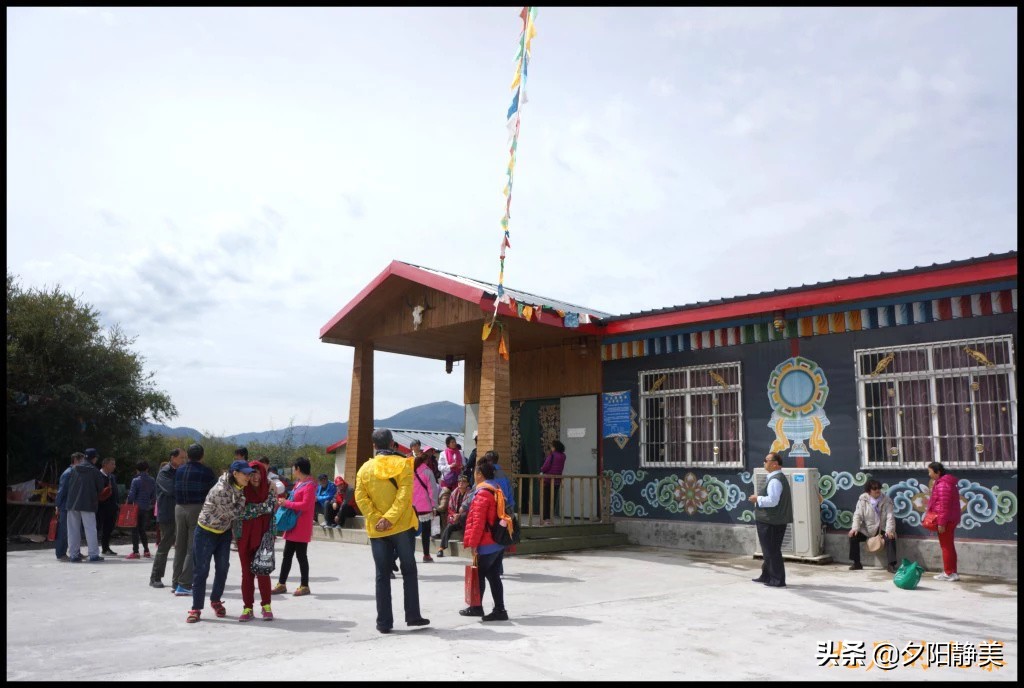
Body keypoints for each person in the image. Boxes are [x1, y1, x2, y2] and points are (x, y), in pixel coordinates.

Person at [354, 428, 430, 634]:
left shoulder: (364, 470)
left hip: (377, 530)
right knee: (409, 570)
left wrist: (378, 519)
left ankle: (384, 622)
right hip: (402, 526)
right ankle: (413, 615)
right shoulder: (403, 464)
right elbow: (405, 495)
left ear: (374, 446)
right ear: (391, 443)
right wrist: (390, 518)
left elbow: (360, 498)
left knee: (382, 575)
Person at [185, 460, 254, 623]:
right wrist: (243, 502)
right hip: (205, 532)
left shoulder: (240, 486)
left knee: (223, 568)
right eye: (245, 473)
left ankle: (215, 600)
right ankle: (196, 608)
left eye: (249, 473)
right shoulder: (221, 490)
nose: (248, 477)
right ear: (235, 473)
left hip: (223, 532)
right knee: (201, 570)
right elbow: (235, 513)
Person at [460, 461, 509, 621]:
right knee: (493, 575)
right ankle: (500, 610)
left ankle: (476, 607)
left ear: (480, 474)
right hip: (498, 541)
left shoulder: (482, 493)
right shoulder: (497, 489)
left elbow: (478, 522)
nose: (474, 475)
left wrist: (473, 544)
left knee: (479, 574)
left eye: (475, 472)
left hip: (487, 542)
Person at [173, 444, 217, 596]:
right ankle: (184, 584)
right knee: (194, 547)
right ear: (202, 456)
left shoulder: (179, 470)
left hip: (179, 508)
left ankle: (175, 581)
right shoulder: (206, 472)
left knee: (180, 546)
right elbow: (214, 493)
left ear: (188, 456)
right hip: (197, 509)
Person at [237, 460, 277, 621]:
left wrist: (254, 508)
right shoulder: (241, 489)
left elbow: (271, 508)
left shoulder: (270, 488)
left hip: (264, 536)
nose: (255, 477)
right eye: (251, 473)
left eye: (258, 472)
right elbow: (241, 512)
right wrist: (262, 507)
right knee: (247, 574)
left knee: (263, 571)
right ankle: (247, 608)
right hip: (244, 537)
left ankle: (266, 606)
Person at [272, 457, 316, 596]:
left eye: (294, 468)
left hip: (301, 526)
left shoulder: (309, 485)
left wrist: (287, 504)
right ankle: (282, 584)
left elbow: (306, 505)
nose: (292, 470)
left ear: (298, 469)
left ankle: (304, 585)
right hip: (293, 524)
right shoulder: (299, 483)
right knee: (287, 555)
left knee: (301, 556)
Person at [748, 451, 792, 588]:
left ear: (774, 464)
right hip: (772, 520)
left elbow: (773, 501)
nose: (764, 463)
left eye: (766, 460)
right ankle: (766, 575)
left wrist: (757, 499)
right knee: (769, 550)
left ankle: (777, 579)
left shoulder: (775, 480)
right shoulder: (774, 478)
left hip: (771, 521)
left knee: (771, 550)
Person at [150, 448, 185, 588]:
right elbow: (171, 489)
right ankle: (155, 577)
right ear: (173, 457)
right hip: (168, 514)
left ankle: (179, 578)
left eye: (185, 458)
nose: (184, 460)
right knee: (164, 546)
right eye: (181, 458)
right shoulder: (164, 472)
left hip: (180, 513)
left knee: (182, 547)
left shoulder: (180, 471)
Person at [65, 448, 107, 562]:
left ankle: (73, 555)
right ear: (94, 458)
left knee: (73, 530)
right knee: (90, 529)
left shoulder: (74, 469)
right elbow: (101, 488)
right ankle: (93, 555)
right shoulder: (94, 471)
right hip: (88, 503)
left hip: (72, 504)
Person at [848, 480, 898, 573]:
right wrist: (855, 528)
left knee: (891, 538)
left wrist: (889, 530)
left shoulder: (887, 500)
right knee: (853, 536)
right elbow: (857, 515)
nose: (877, 490)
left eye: (879, 488)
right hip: (867, 529)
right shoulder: (863, 500)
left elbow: (890, 516)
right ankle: (856, 563)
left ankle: (891, 565)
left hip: (881, 529)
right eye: (874, 488)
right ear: (869, 491)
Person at [926, 461, 961, 582]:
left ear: (938, 472)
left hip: (947, 520)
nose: (929, 474)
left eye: (930, 471)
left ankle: (949, 573)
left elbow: (943, 506)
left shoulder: (942, 485)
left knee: (946, 546)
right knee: (948, 546)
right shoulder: (944, 483)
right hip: (950, 518)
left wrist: (941, 523)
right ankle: (950, 571)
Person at [54, 452, 85, 562]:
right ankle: (61, 553)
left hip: (74, 505)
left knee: (76, 530)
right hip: (66, 506)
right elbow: (61, 491)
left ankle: (76, 551)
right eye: (82, 460)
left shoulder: (76, 472)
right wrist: (57, 505)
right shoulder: (68, 473)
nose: (84, 462)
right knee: (64, 531)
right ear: (76, 460)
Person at [411, 451, 439, 562]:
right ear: (426, 461)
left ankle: (410, 556)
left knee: (410, 533)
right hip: (425, 506)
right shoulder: (428, 471)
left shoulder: (409, 472)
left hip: (411, 506)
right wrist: (434, 506)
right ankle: (426, 555)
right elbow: (433, 490)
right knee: (426, 533)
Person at [126, 460, 156, 559]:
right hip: (146, 508)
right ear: (147, 469)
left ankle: (135, 552)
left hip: (136, 508)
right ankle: (146, 550)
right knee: (142, 529)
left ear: (137, 470)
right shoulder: (152, 480)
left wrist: (129, 505)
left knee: (134, 530)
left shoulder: (135, 480)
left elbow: (131, 495)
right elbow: (153, 496)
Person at [437, 473, 470, 558]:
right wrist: (454, 515)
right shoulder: (454, 493)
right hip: (456, 518)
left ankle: (467, 542)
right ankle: (441, 548)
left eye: (463, 482)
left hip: (466, 519)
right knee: (449, 527)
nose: (460, 483)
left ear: (467, 484)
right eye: (459, 482)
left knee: (463, 517)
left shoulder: (470, 494)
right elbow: (449, 508)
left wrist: (459, 515)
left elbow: (470, 509)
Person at [96, 457, 120, 556]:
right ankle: (93, 549)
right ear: (105, 465)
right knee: (96, 528)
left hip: (112, 508)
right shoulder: (97, 475)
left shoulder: (112, 477)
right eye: (112, 464)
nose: (114, 466)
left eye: (114, 464)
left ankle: (105, 548)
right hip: (100, 508)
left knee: (109, 528)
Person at [540, 440, 566, 524]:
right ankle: (551, 517)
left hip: (548, 479)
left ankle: (545, 518)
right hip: (557, 480)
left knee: (546, 499)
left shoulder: (552, 455)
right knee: (553, 499)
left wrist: (542, 470)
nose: (551, 448)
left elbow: (546, 466)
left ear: (555, 447)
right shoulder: (563, 456)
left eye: (552, 446)